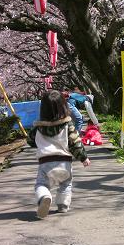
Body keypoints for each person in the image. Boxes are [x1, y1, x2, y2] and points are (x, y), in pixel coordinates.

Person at [28, 90, 90, 219]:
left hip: (45, 163)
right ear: (64, 106)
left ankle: (44, 197)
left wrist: (39, 142)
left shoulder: (37, 127)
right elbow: (75, 142)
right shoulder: (68, 125)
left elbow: (30, 141)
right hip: (64, 163)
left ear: (43, 109)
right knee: (65, 185)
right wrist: (83, 157)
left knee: (41, 185)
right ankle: (62, 205)